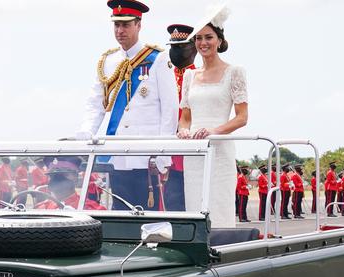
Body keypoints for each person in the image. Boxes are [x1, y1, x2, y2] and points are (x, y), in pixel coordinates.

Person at [78, 0, 178, 211]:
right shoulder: (108, 61)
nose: (120, 30)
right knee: (120, 212)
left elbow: (170, 109)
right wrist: (86, 132)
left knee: (148, 215)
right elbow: (95, 102)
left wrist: (163, 152)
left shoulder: (157, 58)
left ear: (138, 25)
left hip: (146, 156)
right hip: (117, 153)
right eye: (116, 25)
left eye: (126, 25)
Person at [175, 4, 248, 227]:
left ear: (219, 40)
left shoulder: (234, 72)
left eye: (208, 37)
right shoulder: (189, 76)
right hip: (194, 151)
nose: (203, 43)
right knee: (195, 205)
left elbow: (242, 117)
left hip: (220, 148)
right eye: (198, 38)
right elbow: (185, 117)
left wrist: (213, 132)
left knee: (219, 203)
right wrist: (184, 130)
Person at [164, 23, 197, 211]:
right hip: (167, 146)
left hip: (188, 148)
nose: (175, 51)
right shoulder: (165, 76)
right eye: (173, 47)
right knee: (170, 202)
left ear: (193, 48)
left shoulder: (198, 77)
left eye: (181, 46)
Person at [35, 158, 106, 211]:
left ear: (76, 177)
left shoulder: (91, 209)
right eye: (53, 175)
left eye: (65, 174)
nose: (58, 179)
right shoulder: (42, 208)